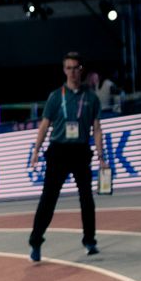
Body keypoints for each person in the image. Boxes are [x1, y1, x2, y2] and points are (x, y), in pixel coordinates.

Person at [27, 49, 106, 261]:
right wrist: (36, 150)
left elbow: (97, 128)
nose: (72, 72)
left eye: (76, 68)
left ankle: (90, 241)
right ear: (64, 70)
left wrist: (101, 155)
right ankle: (36, 242)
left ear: (82, 70)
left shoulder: (91, 98)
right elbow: (44, 126)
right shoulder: (55, 97)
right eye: (68, 68)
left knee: (87, 199)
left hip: (80, 151)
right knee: (49, 199)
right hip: (58, 151)